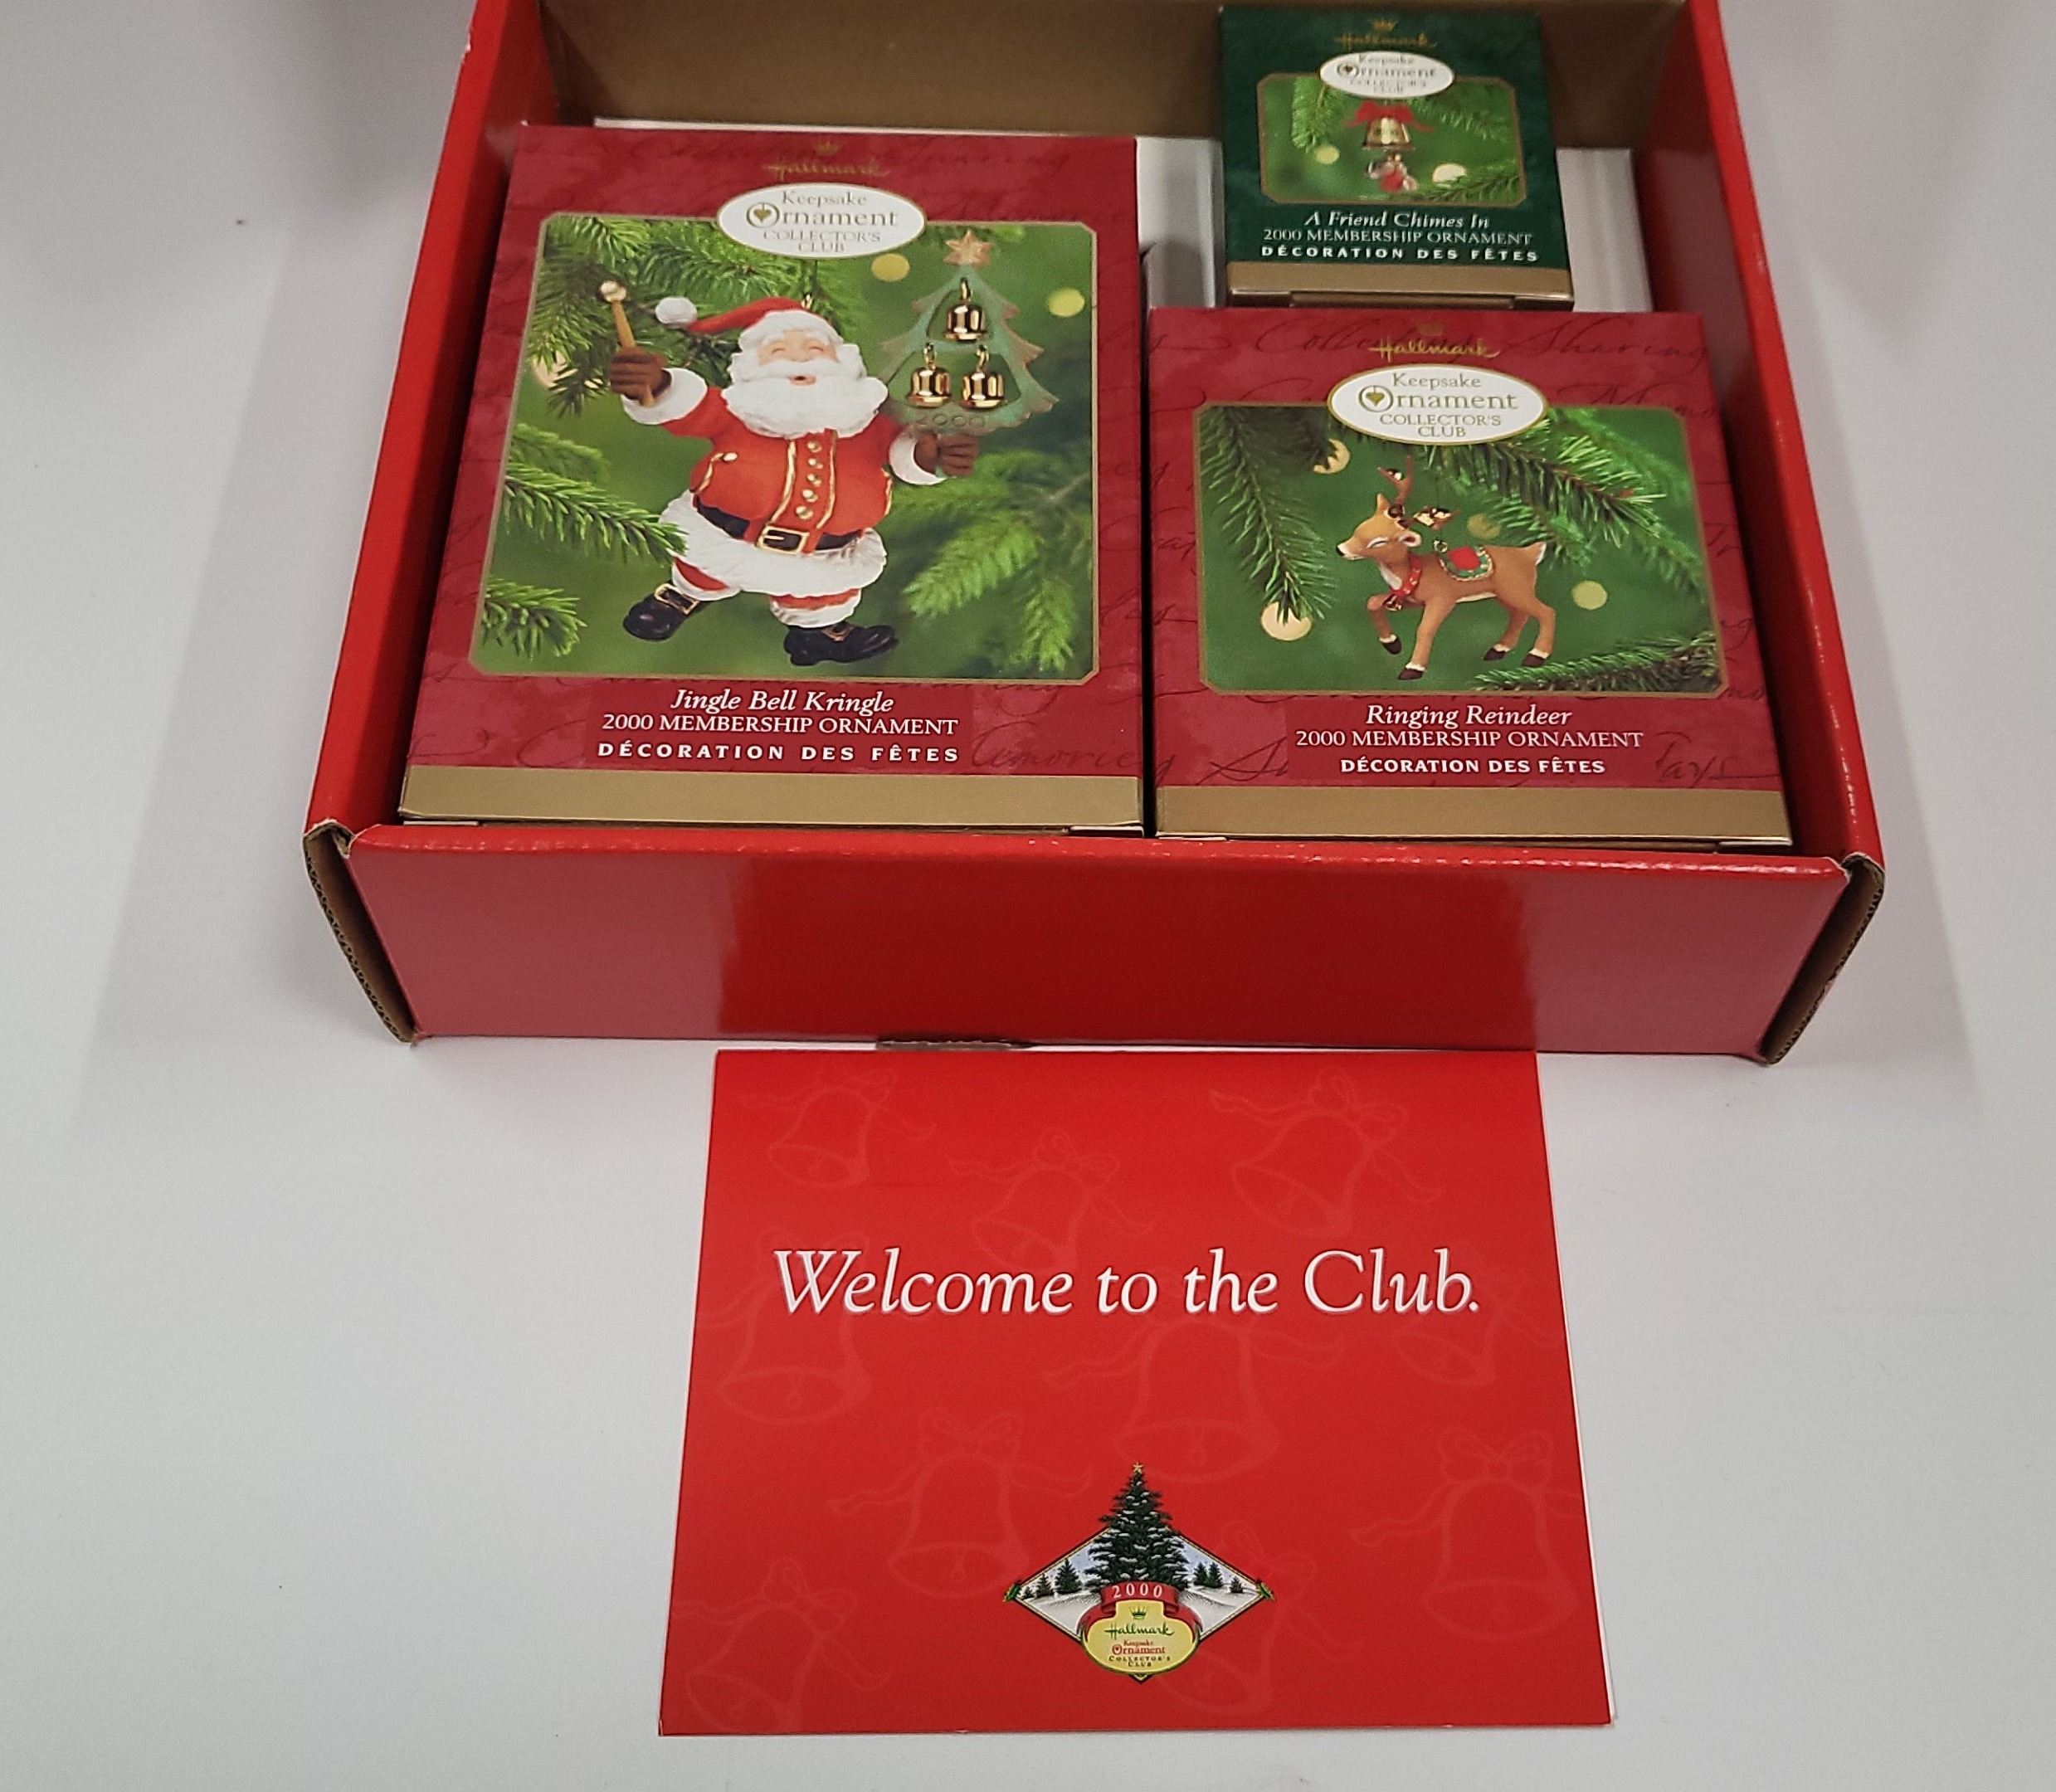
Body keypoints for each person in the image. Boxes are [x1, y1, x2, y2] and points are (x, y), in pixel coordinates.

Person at [607, 295, 978, 665]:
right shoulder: (739, 412)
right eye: (778, 352)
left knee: (821, 596)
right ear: (752, 368)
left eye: (815, 350)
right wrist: (657, 385)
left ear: (843, 364)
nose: (799, 361)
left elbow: (906, 454)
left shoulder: (865, 423)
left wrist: (933, 459)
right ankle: (681, 597)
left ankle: (819, 634)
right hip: (725, 536)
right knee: (703, 571)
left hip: (823, 553)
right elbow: (689, 407)